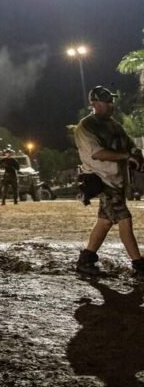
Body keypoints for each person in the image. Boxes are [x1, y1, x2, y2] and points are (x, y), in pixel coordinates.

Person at [74, 86, 144, 276]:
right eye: (107, 102)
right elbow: (97, 153)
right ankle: (139, 264)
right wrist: (126, 157)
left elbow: (130, 145)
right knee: (124, 218)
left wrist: (136, 154)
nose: (111, 105)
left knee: (105, 222)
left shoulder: (113, 125)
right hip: (102, 179)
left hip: (116, 181)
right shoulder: (86, 126)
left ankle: (86, 259)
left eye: (111, 101)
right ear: (95, 104)